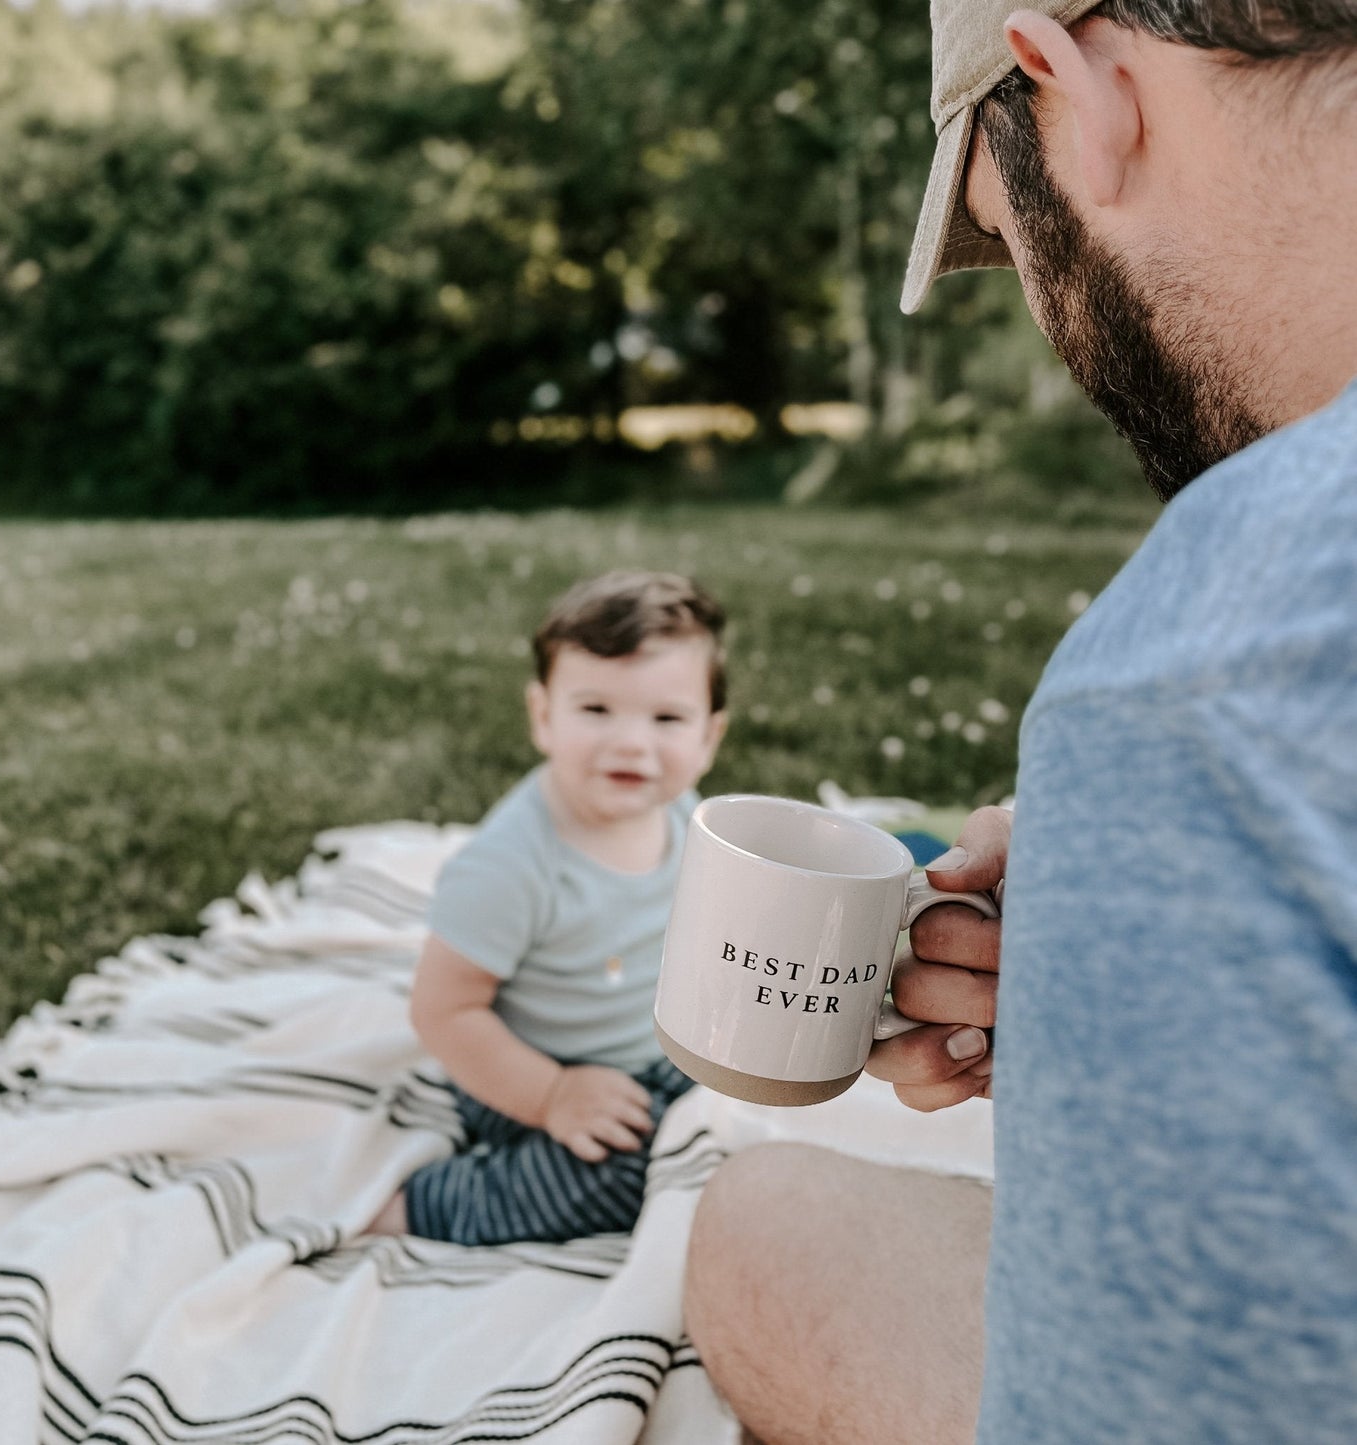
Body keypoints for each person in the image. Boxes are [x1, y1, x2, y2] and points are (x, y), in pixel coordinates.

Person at [683, 3, 1357, 1443]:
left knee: (765, 1223)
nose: (1054, 318)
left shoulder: (1204, 676)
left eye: (1009, 229)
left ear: (1080, 84)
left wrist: (1180, 824)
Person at [368, 569, 728, 1245]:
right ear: (542, 717)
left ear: (708, 736)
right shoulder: (513, 864)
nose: (630, 742)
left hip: (648, 1049)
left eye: (666, 718)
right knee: (623, 1176)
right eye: (595, 710)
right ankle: (430, 1205)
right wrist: (551, 1095)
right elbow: (442, 1009)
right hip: (522, 1071)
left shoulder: (682, 818)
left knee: (740, 1115)